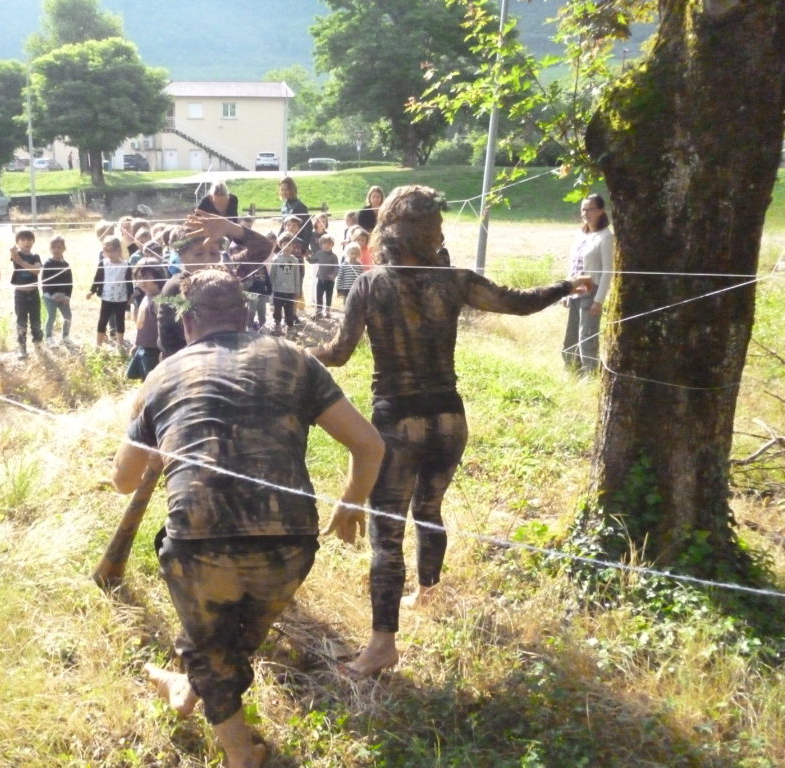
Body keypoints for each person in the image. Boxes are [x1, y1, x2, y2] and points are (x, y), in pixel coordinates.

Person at [313, 185, 594, 678]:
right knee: (429, 509)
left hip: (397, 420)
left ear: (388, 233)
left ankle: (382, 646)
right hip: (449, 419)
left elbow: (337, 352)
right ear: (431, 232)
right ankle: (427, 593)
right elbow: (518, 303)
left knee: (386, 531)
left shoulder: (370, 284)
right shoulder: (455, 281)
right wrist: (566, 287)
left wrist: (294, 354)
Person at [111, 268, 384, 768]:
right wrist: (349, 505)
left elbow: (124, 481)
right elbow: (369, 444)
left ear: (186, 322)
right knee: (224, 646)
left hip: (198, 545)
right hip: (289, 544)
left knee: (213, 649)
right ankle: (188, 686)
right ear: (246, 311)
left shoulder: (161, 376)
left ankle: (240, 754)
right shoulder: (294, 360)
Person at [157, 214, 273, 358]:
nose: (208, 260)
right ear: (181, 257)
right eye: (198, 254)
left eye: (213, 253)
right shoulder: (175, 288)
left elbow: (264, 247)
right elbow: (169, 345)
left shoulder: (227, 276)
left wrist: (230, 228)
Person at [563, 193, 614, 373]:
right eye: (584, 209)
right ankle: (571, 371)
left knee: (587, 336)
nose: (586, 213)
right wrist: (566, 291)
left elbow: (608, 270)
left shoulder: (605, 236)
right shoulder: (581, 235)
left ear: (600, 211)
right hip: (575, 289)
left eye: (591, 209)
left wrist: (598, 301)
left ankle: (589, 373)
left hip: (592, 291)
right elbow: (573, 264)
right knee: (571, 337)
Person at [87, 235, 132, 349]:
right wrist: (91, 291)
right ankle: (98, 344)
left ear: (119, 250)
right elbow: (98, 278)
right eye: (106, 251)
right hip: (106, 297)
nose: (109, 253)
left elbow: (129, 282)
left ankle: (119, 344)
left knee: (120, 321)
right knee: (103, 320)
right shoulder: (103, 263)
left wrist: (130, 295)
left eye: (112, 251)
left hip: (121, 298)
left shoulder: (126, 265)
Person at [126, 257, 167, 380]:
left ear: (158, 276)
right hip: (143, 347)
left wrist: (164, 353)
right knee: (135, 376)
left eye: (146, 277)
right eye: (139, 278)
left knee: (151, 382)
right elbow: (141, 326)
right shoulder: (146, 297)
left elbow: (164, 330)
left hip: (154, 352)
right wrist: (136, 344)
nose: (142, 281)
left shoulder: (159, 301)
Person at [10, 229, 44, 358]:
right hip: (20, 294)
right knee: (21, 321)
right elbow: (14, 256)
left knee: (36, 321)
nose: (26, 242)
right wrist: (14, 253)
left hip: (34, 293)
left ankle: (38, 344)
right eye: (23, 240)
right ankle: (22, 348)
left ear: (33, 241)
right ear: (18, 242)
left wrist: (21, 263)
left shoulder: (35, 256)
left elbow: (36, 271)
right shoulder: (17, 254)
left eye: (29, 239)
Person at [41, 235, 74, 347]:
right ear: (50, 249)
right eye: (54, 247)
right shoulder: (47, 264)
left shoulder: (66, 265)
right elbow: (45, 283)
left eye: (59, 247)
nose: (56, 250)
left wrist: (67, 297)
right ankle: (49, 337)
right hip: (50, 296)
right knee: (52, 316)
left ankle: (65, 336)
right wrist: (54, 295)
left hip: (63, 297)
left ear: (64, 248)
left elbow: (70, 283)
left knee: (68, 316)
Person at [269, 232, 301, 334]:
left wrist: (297, 290)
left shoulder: (295, 260)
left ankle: (290, 326)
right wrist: (270, 288)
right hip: (278, 290)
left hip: (290, 291)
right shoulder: (276, 260)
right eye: (285, 244)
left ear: (293, 246)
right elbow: (272, 275)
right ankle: (277, 324)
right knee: (277, 309)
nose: (287, 247)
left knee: (289, 310)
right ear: (280, 245)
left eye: (290, 245)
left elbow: (297, 276)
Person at [307, 233, 339, 318]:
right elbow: (312, 261)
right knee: (319, 295)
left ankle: (328, 311)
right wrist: (307, 257)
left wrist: (333, 275)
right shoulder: (319, 253)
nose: (327, 245)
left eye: (329, 244)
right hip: (321, 279)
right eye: (324, 243)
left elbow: (336, 267)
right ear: (321, 245)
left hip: (330, 280)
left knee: (329, 295)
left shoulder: (334, 256)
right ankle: (318, 311)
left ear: (332, 245)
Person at [277, 177, 312, 250]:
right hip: (286, 243)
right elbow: (283, 226)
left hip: (297, 244)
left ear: (292, 189)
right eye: (282, 190)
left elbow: (308, 228)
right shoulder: (284, 206)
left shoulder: (300, 206)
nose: (284, 192)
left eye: (286, 189)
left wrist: (305, 247)